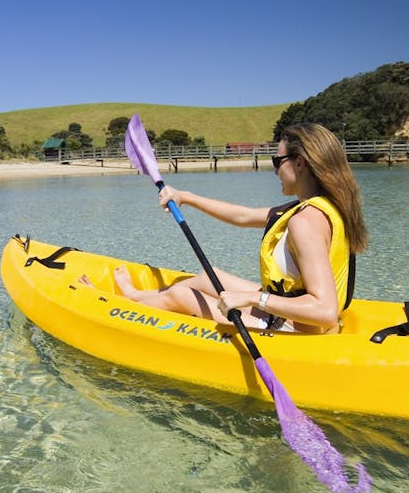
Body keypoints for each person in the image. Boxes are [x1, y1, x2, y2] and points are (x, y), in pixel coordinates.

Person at [94, 122, 367, 334]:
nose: (274, 171)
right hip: (289, 318)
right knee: (206, 277)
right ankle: (139, 296)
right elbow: (242, 216)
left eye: (277, 161)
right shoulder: (316, 207)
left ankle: (127, 303)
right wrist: (186, 197)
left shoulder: (304, 222)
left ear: (299, 162)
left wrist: (251, 299)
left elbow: (326, 310)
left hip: (294, 332)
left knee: (182, 294)